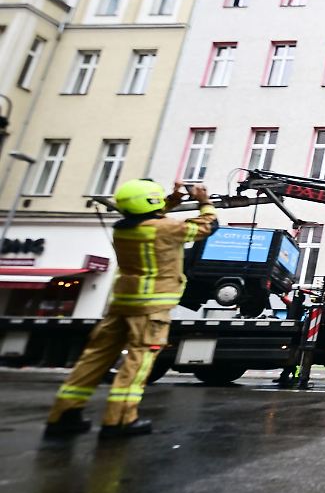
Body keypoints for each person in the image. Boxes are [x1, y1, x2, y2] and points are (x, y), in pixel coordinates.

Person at [43, 180, 218, 438]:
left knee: (94, 359)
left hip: (122, 304)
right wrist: (204, 201)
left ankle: (64, 413)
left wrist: (172, 200)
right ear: (151, 203)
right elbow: (207, 226)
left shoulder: (124, 230)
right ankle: (120, 420)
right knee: (137, 362)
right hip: (151, 309)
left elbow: (149, 218)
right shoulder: (165, 229)